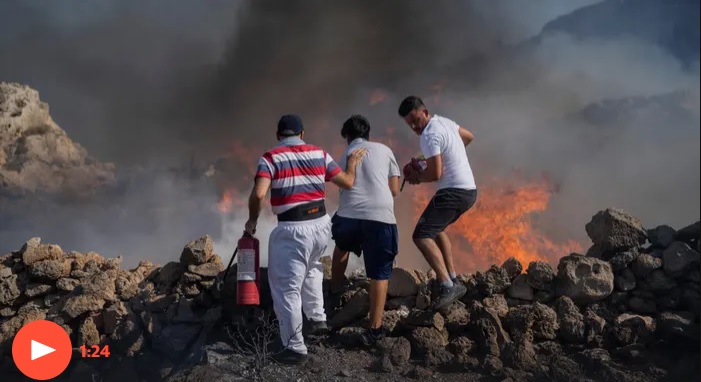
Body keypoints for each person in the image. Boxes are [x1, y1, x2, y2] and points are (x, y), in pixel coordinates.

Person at [245, 114, 367, 365]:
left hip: (292, 229)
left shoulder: (270, 157)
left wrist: (252, 221)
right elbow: (347, 181)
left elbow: (258, 195)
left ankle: (294, 348)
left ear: (279, 136)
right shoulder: (319, 153)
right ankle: (317, 319)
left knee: (286, 287)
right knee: (313, 268)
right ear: (302, 134)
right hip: (322, 224)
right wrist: (353, 163)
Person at [397, 96, 478, 311]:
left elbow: (435, 173)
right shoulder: (445, 122)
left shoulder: (429, 135)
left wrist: (417, 178)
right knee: (436, 229)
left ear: (424, 111)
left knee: (421, 236)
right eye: (410, 124)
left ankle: (446, 284)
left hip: (453, 190)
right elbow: (469, 137)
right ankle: (453, 278)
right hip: (469, 190)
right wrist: (453, 154)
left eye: (416, 120)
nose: (414, 126)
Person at [328, 115, 401, 346]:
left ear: (347, 137)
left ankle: (335, 291)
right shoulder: (385, 150)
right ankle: (375, 329)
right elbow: (395, 190)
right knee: (379, 272)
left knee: (341, 247)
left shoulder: (345, 154)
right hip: (381, 218)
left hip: (349, 217)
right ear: (368, 134)